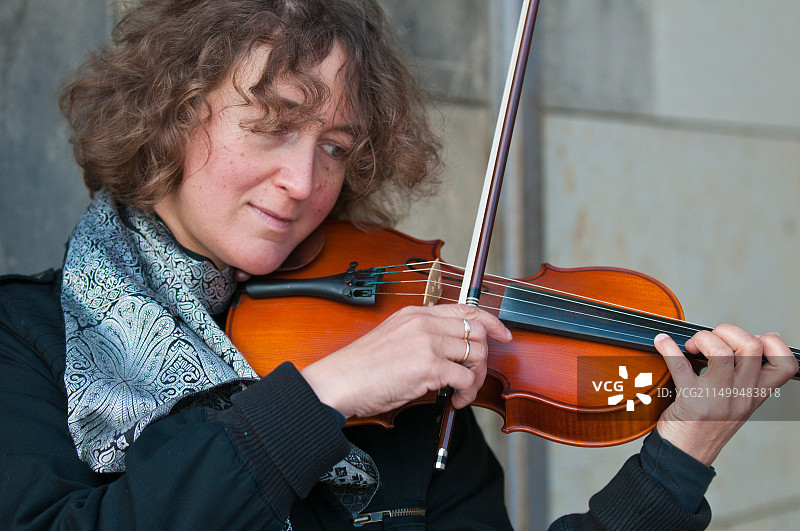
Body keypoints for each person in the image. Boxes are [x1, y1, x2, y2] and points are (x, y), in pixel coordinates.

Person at [0, 0, 795, 529]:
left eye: (336, 147)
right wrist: (322, 395)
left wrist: (675, 464)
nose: (306, 182)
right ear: (169, 114)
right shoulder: (28, 339)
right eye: (271, 126)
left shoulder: (415, 377)